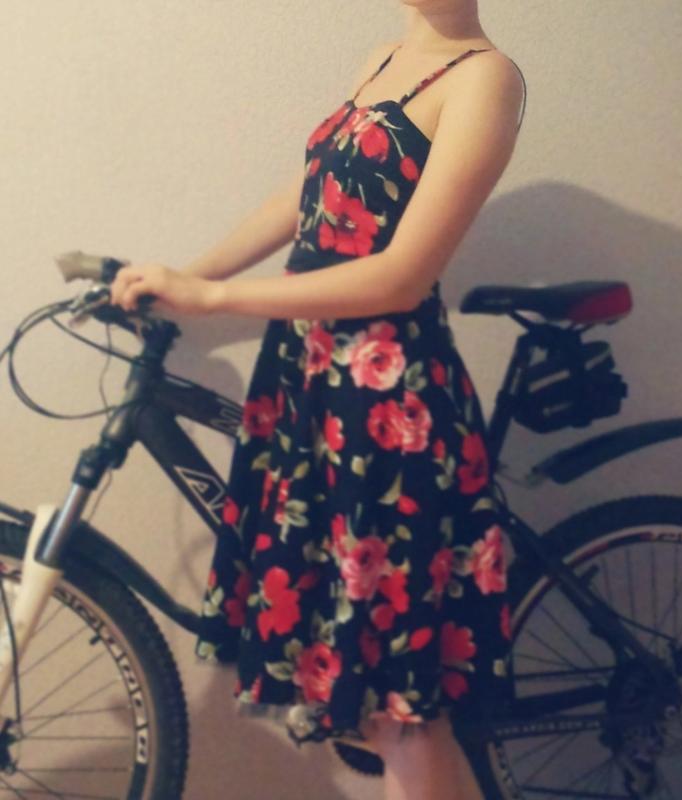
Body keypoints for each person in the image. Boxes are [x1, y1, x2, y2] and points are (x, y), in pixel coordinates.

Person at [110, 1, 526, 797]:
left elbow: (402, 276)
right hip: (314, 392)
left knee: (400, 714)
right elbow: (304, 197)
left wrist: (213, 298)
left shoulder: (486, 78)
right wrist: (185, 277)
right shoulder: (383, 58)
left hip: (389, 406)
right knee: (365, 701)